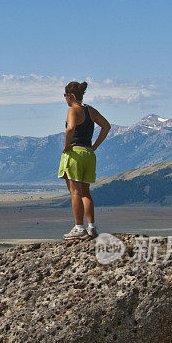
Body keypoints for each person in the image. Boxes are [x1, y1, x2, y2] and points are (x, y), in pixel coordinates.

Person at [58, 81, 110, 238]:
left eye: (65, 95)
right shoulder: (91, 110)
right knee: (86, 192)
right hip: (89, 153)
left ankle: (79, 228)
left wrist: (67, 145)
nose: (64, 99)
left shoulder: (73, 110)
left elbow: (71, 127)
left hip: (75, 153)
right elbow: (106, 126)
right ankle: (92, 226)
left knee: (75, 192)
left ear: (71, 96)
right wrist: (95, 146)